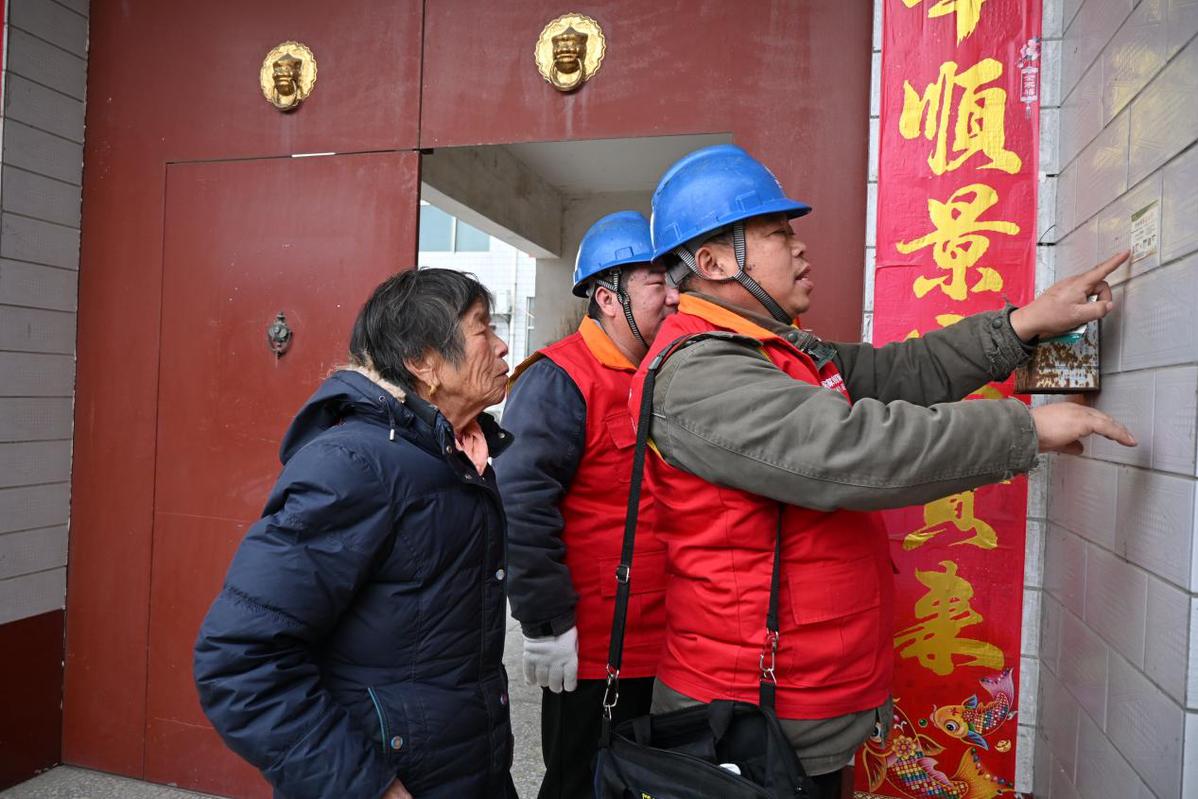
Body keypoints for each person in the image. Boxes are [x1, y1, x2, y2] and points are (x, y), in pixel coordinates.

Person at [629, 144, 1136, 798]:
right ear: (714, 262)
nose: (800, 247)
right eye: (778, 233)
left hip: (794, 693)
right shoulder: (701, 373)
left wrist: (1023, 324)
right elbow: (852, 452)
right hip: (749, 710)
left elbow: (899, 372)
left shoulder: (772, 350)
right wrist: (1026, 429)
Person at [194, 268, 517, 799]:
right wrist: (366, 787)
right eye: (483, 329)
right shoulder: (356, 466)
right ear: (422, 362)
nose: (501, 345)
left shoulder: (459, 457)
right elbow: (238, 660)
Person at [496, 211, 679, 798]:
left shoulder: (666, 374)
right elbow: (520, 505)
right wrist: (546, 622)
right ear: (607, 298)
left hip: (673, 640)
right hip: (599, 649)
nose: (674, 297)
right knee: (582, 783)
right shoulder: (559, 379)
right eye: (658, 283)